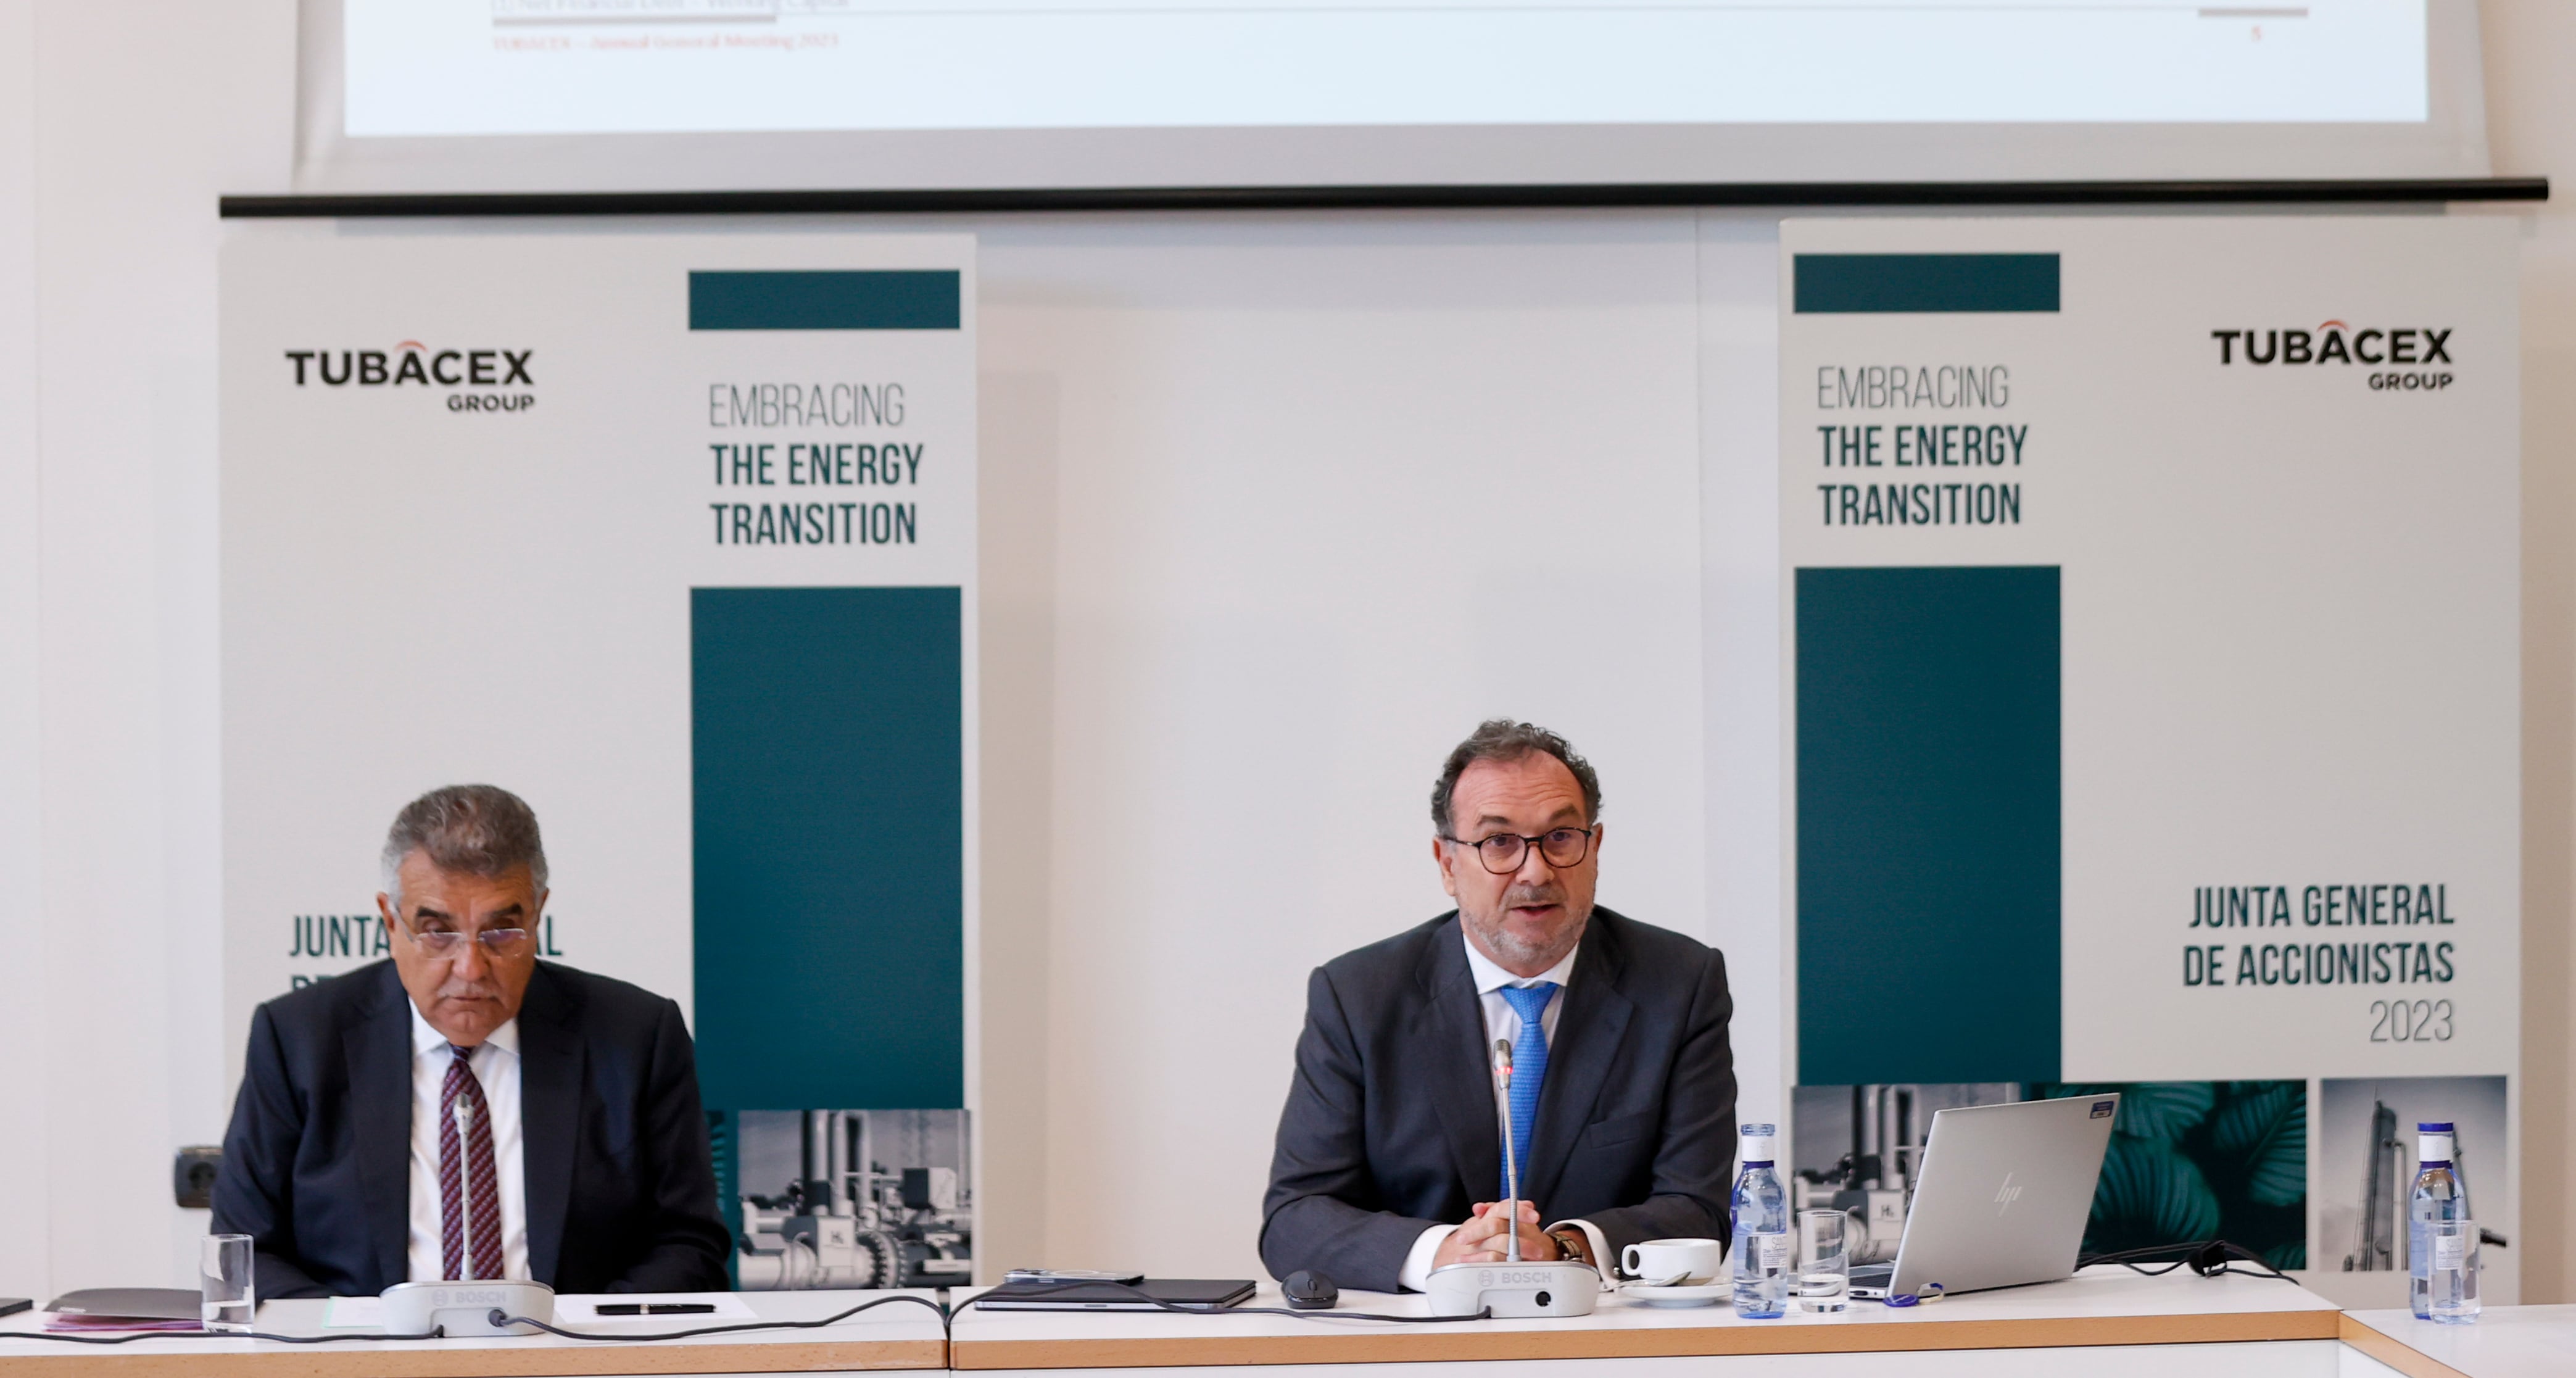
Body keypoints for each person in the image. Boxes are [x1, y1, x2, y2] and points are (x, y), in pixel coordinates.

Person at [1260, 720, 1739, 1292]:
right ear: (1446, 864)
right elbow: (1295, 1217)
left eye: (1561, 836)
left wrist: (1563, 1246)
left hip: (1605, 1337)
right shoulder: (1359, 994)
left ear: (1595, 849)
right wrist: (1445, 1253)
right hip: (1413, 1340)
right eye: (1499, 842)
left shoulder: (1679, 983)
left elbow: (1698, 1207)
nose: (1535, 871)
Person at [211, 784, 732, 1298]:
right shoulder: (300, 1038)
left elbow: (689, 1244)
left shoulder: (636, 1036)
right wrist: (363, 1344)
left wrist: (576, 1342)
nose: (470, 967)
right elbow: (245, 1254)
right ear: (391, 921)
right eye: (438, 931)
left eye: (501, 932)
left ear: (537, 914)